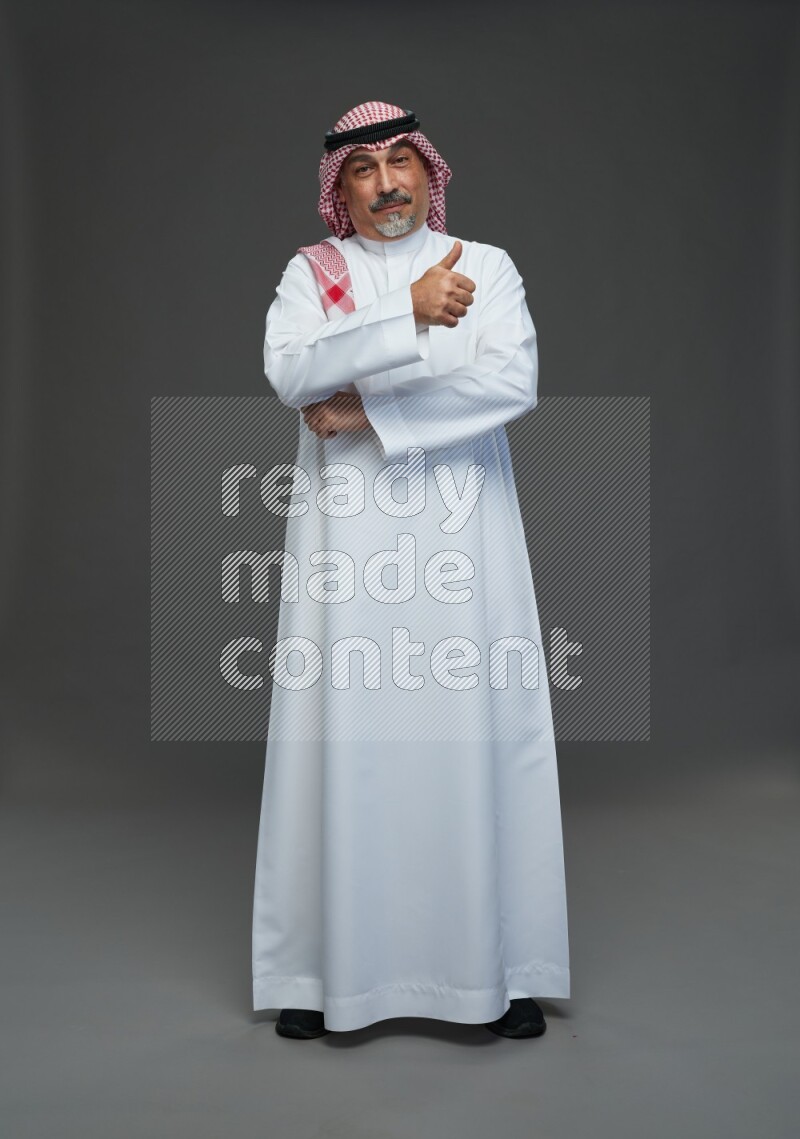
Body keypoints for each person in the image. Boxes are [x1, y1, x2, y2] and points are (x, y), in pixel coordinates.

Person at [252, 101, 570, 1040]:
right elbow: (288, 371)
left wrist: (364, 411)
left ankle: (501, 967)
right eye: (365, 169)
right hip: (347, 545)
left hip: (463, 533)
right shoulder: (314, 274)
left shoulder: (487, 265)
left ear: (429, 171)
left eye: (402, 162)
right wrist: (406, 316)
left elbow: (511, 384)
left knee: (473, 728)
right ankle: (322, 974)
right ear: (339, 188)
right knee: (346, 731)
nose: (388, 183)